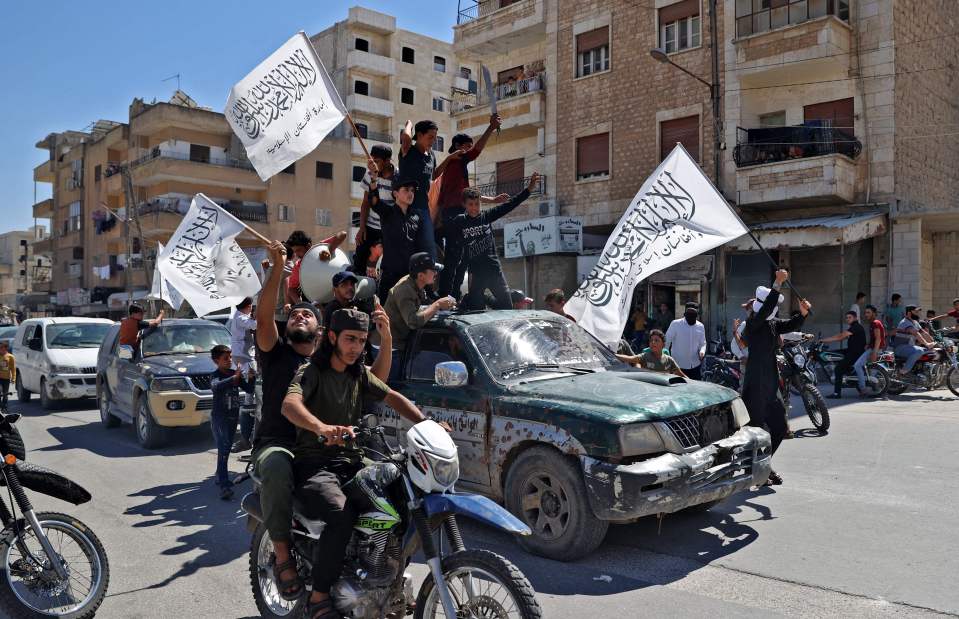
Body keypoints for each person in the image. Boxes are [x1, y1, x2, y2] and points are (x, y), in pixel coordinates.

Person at [250, 241, 396, 603]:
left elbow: (375, 383)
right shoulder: (275, 353)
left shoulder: (332, 363)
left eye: (307, 314)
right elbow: (264, 317)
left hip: (326, 449)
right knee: (278, 466)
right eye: (295, 314)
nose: (300, 316)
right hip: (280, 442)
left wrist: (387, 338)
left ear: (321, 332)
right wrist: (276, 271)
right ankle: (284, 557)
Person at [281, 308, 430, 619]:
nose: (356, 347)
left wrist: (426, 423)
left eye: (362, 341)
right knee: (342, 514)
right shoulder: (312, 371)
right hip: (315, 464)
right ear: (332, 337)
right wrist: (321, 428)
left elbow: (392, 396)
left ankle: (385, 577)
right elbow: (290, 404)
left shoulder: (358, 373)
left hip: (352, 460)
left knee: (398, 500)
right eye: (350, 339)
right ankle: (319, 598)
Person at [741, 269, 811, 486]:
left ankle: (764, 465)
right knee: (755, 431)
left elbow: (790, 325)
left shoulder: (771, 324)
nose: (776, 309)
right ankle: (754, 470)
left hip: (771, 383)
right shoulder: (753, 323)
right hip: (755, 383)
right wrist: (778, 282)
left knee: (780, 428)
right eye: (774, 305)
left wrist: (803, 313)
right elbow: (765, 312)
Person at [442, 174, 540, 308]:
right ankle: (473, 299)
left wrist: (528, 189)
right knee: (475, 310)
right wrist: (454, 292)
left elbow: (510, 205)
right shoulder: (460, 221)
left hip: (494, 272)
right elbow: (460, 257)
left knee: (507, 307)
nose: (474, 208)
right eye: (470, 204)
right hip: (476, 275)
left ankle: (485, 298)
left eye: (477, 204)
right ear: (464, 204)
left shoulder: (487, 217)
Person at [436, 114, 506, 296]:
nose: (469, 150)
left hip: (453, 214)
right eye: (466, 147)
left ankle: (453, 294)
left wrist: (493, 200)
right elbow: (476, 151)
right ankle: (447, 295)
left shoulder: (455, 168)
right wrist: (491, 128)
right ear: (458, 148)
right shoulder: (457, 160)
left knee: (461, 257)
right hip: (454, 215)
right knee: (455, 258)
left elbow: (469, 196)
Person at [399, 120, 468, 262]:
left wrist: (449, 158)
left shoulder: (431, 155)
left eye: (435, 138)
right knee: (408, 245)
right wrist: (409, 123)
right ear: (419, 135)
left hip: (424, 208)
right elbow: (406, 137)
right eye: (430, 137)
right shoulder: (408, 151)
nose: (433, 141)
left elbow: (434, 174)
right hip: (407, 208)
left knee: (429, 247)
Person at [384, 253, 456, 380]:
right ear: (421, 275)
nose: (436, 273)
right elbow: (413, 322)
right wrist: (438, 304)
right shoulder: (404, 290)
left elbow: (424, 305)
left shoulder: (416, 283)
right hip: (391, 348)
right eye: (433, 271)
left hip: (402, 343)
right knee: (393, 391)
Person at [209, 345, 253, 500]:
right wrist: (233, 379)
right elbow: (215, 387)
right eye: (225, 359)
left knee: (225, 450)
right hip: (220, 418)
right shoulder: (216, 375)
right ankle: (224, 486)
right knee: (223, 447)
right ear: (216, 361)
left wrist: (251, 378)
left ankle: (220, 475)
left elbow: (249, 389)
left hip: (233, 417)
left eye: (230, 358)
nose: (229, 361)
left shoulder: (234, 374)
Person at [371, 177, 425, 301]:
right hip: (390, 274)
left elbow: (419, 246)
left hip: (410, 276)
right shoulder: (387, 212)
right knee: (385, 314)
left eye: (412, 190)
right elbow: (374, 202)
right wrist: (373, 180)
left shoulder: (417, 217)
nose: (410, 193)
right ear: (395, 193)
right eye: (406, 190)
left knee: (408, 315)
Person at [352, 145, 393, 275]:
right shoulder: (369, 175)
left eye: (377, 161)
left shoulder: (398, 178)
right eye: (372, 160)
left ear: (387, 161)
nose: (373, 165)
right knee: (359, 263)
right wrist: (362, 227)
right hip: (370, 227)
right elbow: (365, 203)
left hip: (388, 229)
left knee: (387, 267)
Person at [285, 230, 348, 306]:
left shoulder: (321, 248)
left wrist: (329, 250)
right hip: (314, 303)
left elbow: (343, 234)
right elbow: (292, 289)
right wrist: (301, 304)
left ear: (308, 245)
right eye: (295, 252)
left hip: (336, 300)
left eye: (299, 250)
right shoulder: (298, 266)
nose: (297, 254)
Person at [228, 297, 258, 452]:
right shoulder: (240, 317)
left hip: (244, 354)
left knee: (251, 381)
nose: (251, 309)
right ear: (247, 306)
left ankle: (249, 397)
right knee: (251, 381)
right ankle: (249, 398)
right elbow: (255, 325)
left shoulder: (239, 316)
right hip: (243, 355)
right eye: (251, 307)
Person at [821, 310, 867, 398]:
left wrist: (824, 340)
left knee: (838, 369)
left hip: (855, 353)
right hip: (852, 351)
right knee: (834, 353)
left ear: (855, 318)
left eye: (850, 317)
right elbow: (843, 337)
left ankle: (837, 393)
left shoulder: (856, 326)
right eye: (846, 318)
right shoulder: (854, 327)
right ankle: (846, 372)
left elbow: (840, 336)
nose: (847, 319)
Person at [616, 329, 686, 378]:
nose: (653, 342)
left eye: (656, 340)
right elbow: (631, 359)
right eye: (651, 340)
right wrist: (614, 355)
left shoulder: (669, 360)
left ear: (663, 345)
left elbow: (681, 375)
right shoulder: (645, 356)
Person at [665, 303, 707, 380]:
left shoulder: (700, 326)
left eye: (693, 315)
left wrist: (702, 351)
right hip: (678, 366)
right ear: (685, 314)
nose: (691, 317)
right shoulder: (675, 324)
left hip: (695, 366)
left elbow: (703, 343)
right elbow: (667, 342)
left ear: (697, 315)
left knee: (695, 389)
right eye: (689, 314)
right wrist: (666, 358)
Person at [853, 305, 886, 395]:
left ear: (874, 314)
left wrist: (874, 352)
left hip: (875, 349)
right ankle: (874, 388)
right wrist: (869, 344)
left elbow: (878, 338)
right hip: (873, 348)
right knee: (871, 371)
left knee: (857, 365)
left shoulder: (875, 323)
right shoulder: (874, 323)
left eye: (868, 312)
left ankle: (863, 388)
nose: (866, 314)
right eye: (865, 312)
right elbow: (876, 338)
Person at [894, 305, 935, 376]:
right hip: (900, 348)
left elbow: (924, 333)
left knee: (931, 351)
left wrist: (934, 342)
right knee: (919, 351)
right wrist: (927, 344)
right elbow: (916, 333)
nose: (918, 313)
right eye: (916, 312)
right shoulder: (905, 322)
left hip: (910, 347)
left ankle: (922, 372)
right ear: (909, 313)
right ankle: (903, 371)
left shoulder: (915, 322)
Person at [0, 341, 15, 410]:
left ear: (6, 348)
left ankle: (4, 406)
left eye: (2, 348)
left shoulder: (10, 357)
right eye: (0, 348)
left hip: (6, 378)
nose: (1, 349)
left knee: (5, 394)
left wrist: (13, 378)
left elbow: (13, 368)